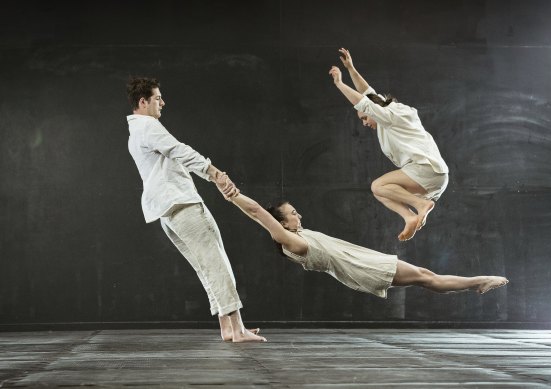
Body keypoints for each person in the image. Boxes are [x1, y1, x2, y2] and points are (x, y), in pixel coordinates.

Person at [126, 77, 265, 342]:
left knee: (206, 265)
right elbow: (181, 151)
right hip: (182, 204)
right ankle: (238, 330)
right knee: (216, 262)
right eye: (157, 98)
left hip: (168, 209)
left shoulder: (136, 132)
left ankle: (227, 327)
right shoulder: (148, 127)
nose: (162, 103)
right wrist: (215, 173)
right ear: (143, 102)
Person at [217, 186, 508, 298]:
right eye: (293, 214)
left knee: (425, 278)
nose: (299, 215)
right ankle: (479, 281)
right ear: (282, 223)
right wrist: (231, 193)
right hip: (361, 267)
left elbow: (261, 216)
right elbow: (257, 213)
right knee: (425, 277)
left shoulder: (298, 235)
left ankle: (477, 283)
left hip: (361, 262)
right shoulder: (290, 242)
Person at [329, 48, 449, 241]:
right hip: (436, 178)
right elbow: (368, 94)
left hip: (426, 170)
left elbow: (364, 102)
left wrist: (339, 84)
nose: (365, 123)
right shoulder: (391, 111)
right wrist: (351, 68)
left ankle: (419, 205)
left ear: (374, 111)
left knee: (378, 186)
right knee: (383, 193)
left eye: (364, 118)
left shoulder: (389, 117)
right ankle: (410, 216)